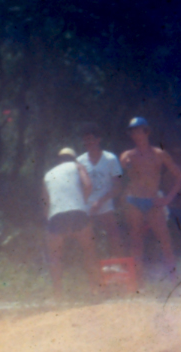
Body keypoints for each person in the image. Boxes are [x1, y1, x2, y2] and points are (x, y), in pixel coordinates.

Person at [119, 117, 179, 278]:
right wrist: (125, 163)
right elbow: (122, 173)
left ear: (147, 132)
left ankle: (174, 280)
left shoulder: (160, 154)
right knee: (136, 241)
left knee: (164, 239)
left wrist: (168, 198)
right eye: (133, 132)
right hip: (134, 200)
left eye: (139, 131)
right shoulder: (127, 155)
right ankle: (138, 281)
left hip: (153, 200)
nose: (136, 134)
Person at [42, 148, 99, 297]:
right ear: (74, 159)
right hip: (77, 212)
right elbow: (88, 185)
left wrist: (49, 220)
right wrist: (83, 201)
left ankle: (58, 294)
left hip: (56, 215)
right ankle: (94, 289)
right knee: (89, 251)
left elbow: (46, 202)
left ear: (59, 160)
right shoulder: (77, 166)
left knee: (54, 256)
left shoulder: (48, 175)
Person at [77, 123, 125, 258]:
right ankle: (93, 270)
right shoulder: (80, 161)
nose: (88, 142)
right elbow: (79, 187)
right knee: (88, 240)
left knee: (114, 236)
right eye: (85, 139)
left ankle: (119, 266)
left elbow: (118, 187)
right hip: (87, 207)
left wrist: (100, 201)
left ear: (99, 139)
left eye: (91, 139)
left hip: (105, 205)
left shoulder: (110, 159)